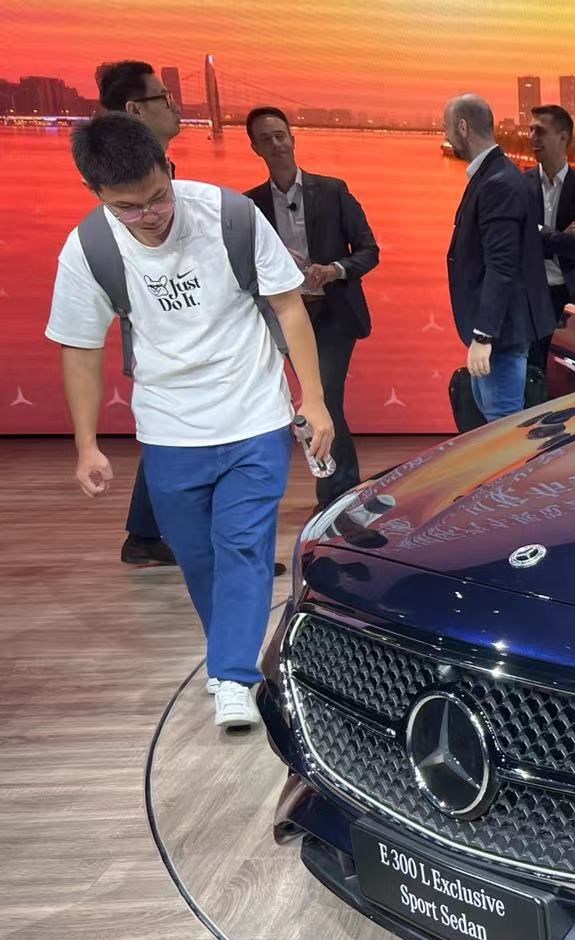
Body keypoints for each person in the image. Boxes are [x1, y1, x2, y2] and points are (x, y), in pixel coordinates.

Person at [46, 113, 333, 731]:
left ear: (169, 168)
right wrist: (87, 444)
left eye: (158, 196)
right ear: (96, 193)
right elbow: (80, 347)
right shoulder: (89, 248)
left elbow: (288, 306)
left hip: (253, 413)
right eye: (128, 208)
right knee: (198, 557)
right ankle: (230, 657)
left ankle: (232, 676)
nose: (150, 215)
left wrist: (312, 398)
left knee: (243, 547)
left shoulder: (229, 216)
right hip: (169, 427)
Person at [244, 106, 380, 506]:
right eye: (266, 139)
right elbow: (243, 266)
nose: (276, 144)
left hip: (334, 312)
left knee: (325, 397)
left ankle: (337, 493)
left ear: (293, 138)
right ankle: (342, 491)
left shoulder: (333, 191)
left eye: (280, 136)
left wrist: (334, 270)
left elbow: (369, 251)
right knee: (317, 398)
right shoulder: (250, 206)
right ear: (255, 148)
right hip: (286, 317)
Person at [96, 59, 181, 568]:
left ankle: (148, 534)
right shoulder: (123, 178)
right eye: (163, 98)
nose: (174, 107)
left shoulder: (153, 167)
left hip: (174, 318)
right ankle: (157, 537)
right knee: (177, 431)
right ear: (135, 109)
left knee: (172, 431)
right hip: (161, 322)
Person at [442, 94, 554, 422]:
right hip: (501, 334)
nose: (445, 135)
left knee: (503, 428)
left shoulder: (498, 183)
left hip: (501, 336)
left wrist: (483, 334)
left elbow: (502, 266)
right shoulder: (496, 175)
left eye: (447, 127)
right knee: (495, 426)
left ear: (463, 127)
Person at [528, 105, 575, 321]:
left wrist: (537, 233)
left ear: (562, 138)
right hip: (527, 298)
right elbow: (516, 239)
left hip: (568, 301)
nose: (532, 137)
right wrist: (561, 236)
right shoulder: (519, 187)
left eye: (540, 131)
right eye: (531, 130)